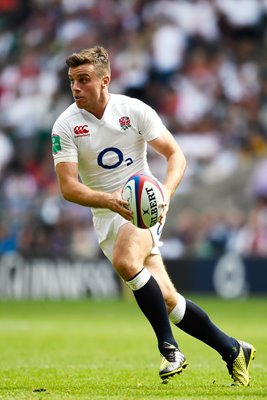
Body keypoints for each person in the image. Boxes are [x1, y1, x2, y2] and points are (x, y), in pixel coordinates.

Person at [51, 45, 255, 385]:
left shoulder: (134, 111)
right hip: (106, 213)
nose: (75, 88)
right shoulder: (66, 126)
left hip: (143, 205)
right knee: (168, 298)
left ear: (105, 80)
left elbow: (175, 155)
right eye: (72, 80)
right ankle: (233, 349)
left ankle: (169, 348)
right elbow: (69, 188)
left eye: (83, 80)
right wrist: (110, 201)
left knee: (126, 261)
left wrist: (166, 195)